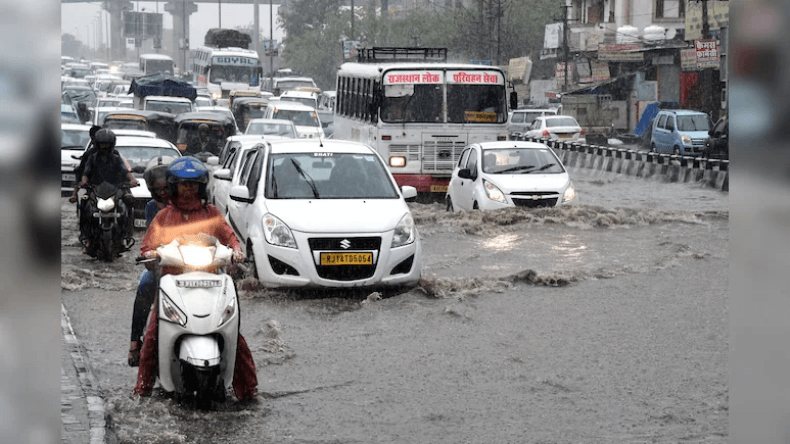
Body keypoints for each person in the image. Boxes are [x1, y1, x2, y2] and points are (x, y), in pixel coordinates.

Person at [133, 156, 258, 401]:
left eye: (193, 185)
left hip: (211, 279)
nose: (188, 190)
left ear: (201, 187)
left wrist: (237, 251)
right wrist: (150, 254)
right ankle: (142, 391)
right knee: (153, 333)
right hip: (174, 281)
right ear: (173, 187)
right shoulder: (164, 216)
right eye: (183, 185)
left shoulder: (211, 213)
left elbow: (230, 236)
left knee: (234, 333)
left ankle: (249, 391)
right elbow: (147, 246)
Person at [127, 155, 175, 367]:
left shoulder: (195, 204)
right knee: (145, 287)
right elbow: (151, 239)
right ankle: (135, 342)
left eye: (166, 183)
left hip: (193, 265)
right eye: (158, 185)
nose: (163, 189)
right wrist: (151, 255)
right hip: (164, 263)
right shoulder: (151, 208)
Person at [69, 129, 138, 255]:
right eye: (102, 144)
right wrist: (84, 182)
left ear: (112, 144)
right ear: (97, 144)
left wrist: (133, 180)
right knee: (84, 205)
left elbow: (125, 171)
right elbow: (85, 173)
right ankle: (86, 237)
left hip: (115, 189)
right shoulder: (91, 158)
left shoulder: (117, 158)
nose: (105, 147)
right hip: (95, 190)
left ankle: (127, 235)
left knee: (128, 203)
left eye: (107, 144)